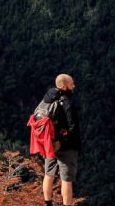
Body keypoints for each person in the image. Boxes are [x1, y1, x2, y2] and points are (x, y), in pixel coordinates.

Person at [38, 73, 80, 206]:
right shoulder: (66, 102)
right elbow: (73, 126)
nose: (73, 86)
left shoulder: (47, 99)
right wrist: (70, 142)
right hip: (64, 146)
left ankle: (47, 203)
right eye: (71, 84)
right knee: (66, 179)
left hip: (49, 142)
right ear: (64, 86)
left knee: (48, 174)